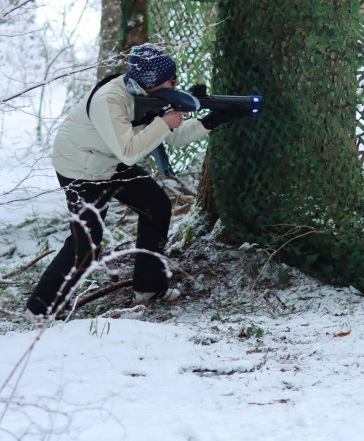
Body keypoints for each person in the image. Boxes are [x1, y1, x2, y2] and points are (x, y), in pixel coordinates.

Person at [26, 44, 227, 321]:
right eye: (172, 79)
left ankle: (149, 288)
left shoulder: (150, 95)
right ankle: (39, 310)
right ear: (153, 81)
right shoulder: (110, 100)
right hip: (80, 168)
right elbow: (130, 153)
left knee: (157, 206)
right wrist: (165, 121)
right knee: (86, 245)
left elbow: (174, 137)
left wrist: (209, 121)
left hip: (109, 159)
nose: (176, 83)